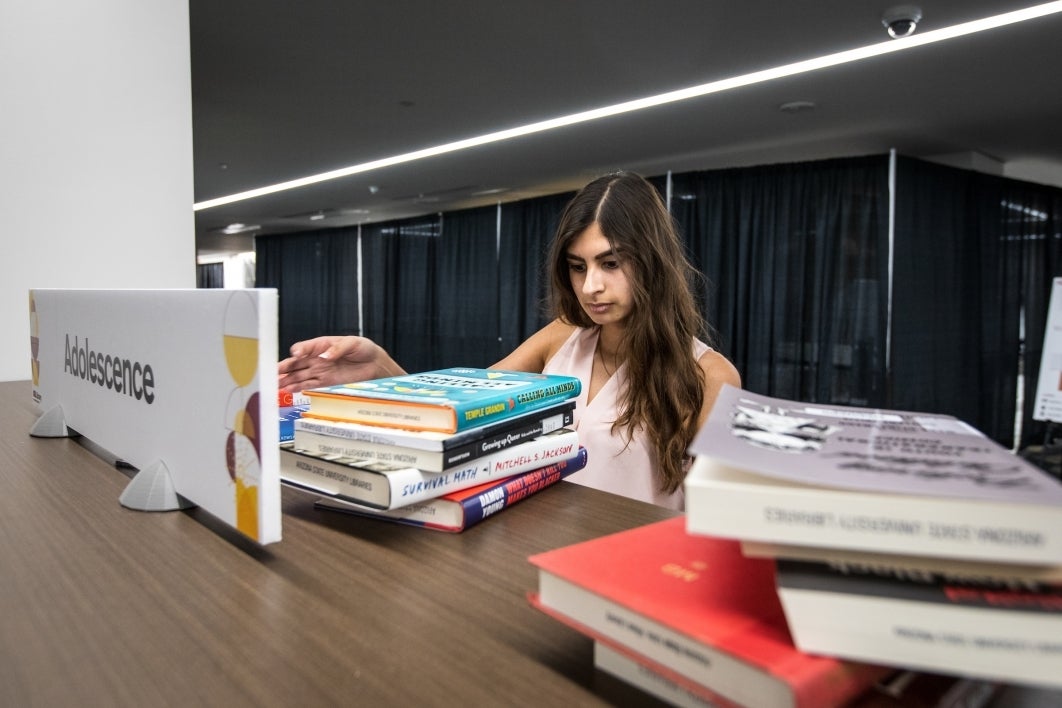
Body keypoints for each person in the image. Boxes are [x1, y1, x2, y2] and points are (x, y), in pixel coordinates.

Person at [278, 171, 740, 510]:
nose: (590, 287)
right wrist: (379, 367)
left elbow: (715, 523)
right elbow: (463, 409)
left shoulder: (712, 376)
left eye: (611, 263)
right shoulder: (563, 336)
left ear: (653, 262)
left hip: (628, 574)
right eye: (578, 267)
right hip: (531, 547)